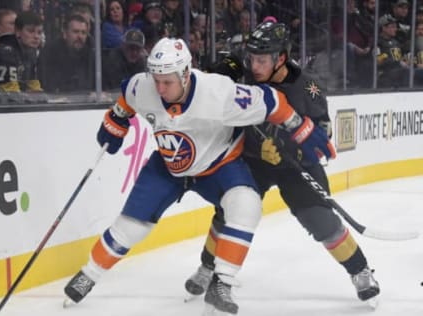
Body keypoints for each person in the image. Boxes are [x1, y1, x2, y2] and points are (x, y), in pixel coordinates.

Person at [63, 37, 335, 315]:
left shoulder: (219, 93)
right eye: (155, 79)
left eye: (167, 81)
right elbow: (127, 99)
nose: (160, 88)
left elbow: (271, 100)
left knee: (247, 205)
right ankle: (89, 274)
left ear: (185, 73)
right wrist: (115, 120)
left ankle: (222, 284)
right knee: (132, 226)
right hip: (168, 165)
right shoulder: (143, 86)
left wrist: (299, 127)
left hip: (219, 166)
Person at [184, 21, 380, 305]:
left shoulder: (307, 88)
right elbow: (223, 69)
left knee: (321, 221)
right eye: (251, 58)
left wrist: (291, 149)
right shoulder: (246, 69)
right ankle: (207, 266)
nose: (254, 65)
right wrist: (215, 72)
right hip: (252, 160)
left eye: (262, 60)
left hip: (294, 166)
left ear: (281, 59)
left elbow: (322, 135)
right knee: (228, 212)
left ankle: (360, 271)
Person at [0, 11, 46, 104]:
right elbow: (11, 94)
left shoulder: (32, 51)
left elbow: (34, 88)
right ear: (18, 32)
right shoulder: (4, 50)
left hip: (14, 105)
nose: (36, 36)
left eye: (39, 32)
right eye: (31, 31)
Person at [38, 14, 95, 94]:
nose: (80, 36)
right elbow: (48, 87)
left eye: (83, 33)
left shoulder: (91, 55)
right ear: (65, 33)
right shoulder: (50, 53)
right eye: (75, 32)